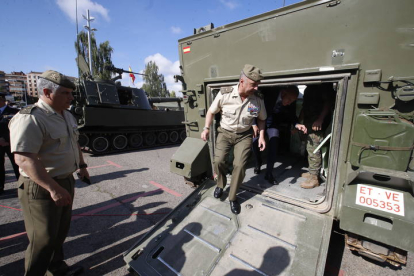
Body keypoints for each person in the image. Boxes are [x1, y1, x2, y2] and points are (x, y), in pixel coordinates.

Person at [9, 70, 89, 276]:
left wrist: (82, 166)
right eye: (65, 93)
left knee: (59, 234)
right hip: (41, 187)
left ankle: (57, 270)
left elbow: (75, 142)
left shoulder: (67, 115)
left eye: (71, 93)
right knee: (42, 240)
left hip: (65, 181)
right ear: (46, 92)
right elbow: (24, 159)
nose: (71, 97)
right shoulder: (30, 118)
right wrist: (53, 189)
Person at [201, 64, 267, 214]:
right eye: (253, 84)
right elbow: (211, 112)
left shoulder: (257, 99)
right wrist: (206, 128)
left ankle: (232, 197)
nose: (256, 88)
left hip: (244, 135)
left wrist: (262, 136)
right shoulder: (225, 93)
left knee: (240, 165)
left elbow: (262, 119)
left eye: (258, 85)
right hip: (224, 133)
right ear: (242, 81)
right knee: (218, 161)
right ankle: (220, 184)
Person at [252, 86, 307, 185]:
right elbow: (253, 103)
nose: (289, 103)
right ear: (283, 93)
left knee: (274, 144)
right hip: (259, 122)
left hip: (273, 123)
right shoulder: (268, 92)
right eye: (289, 99)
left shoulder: (291, 100)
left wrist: (296, 124)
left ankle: (269, 173)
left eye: (292, 101)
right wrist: (253, 124)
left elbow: (292, 114)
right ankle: (258, 162)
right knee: (255, 143)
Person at [300, 84, 334, 189]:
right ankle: (312, 172)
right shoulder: (308, 88)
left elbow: (327, 104)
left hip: (317, 122)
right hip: (309, 121)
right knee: (309, 147)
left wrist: (320, 119)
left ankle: (314, 178)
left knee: (314, 148)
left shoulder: (322, 86)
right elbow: (304, 106)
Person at [0, 93, 20, 194]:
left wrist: (5, 139)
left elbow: (18, 127)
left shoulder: (14, 112)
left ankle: (22, 185)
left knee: (17, 164)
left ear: (2, 100)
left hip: (11, 143)